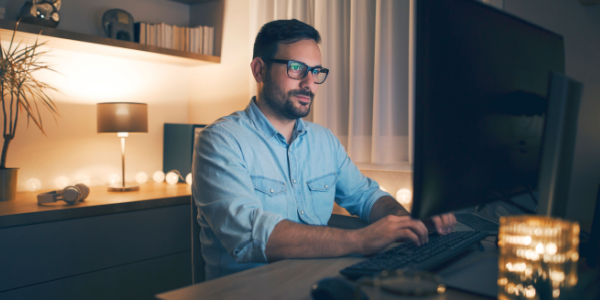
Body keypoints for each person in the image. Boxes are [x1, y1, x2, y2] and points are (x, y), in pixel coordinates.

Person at [192, 19, 456, 280]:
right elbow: (250, 235)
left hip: (315, 282)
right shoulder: (220, 141)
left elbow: (366, 196)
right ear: (259, 70)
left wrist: (408, 221)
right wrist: (361, 240)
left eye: (316, 71)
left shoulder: (324, 141)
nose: (309, 83)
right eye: (297, 68)